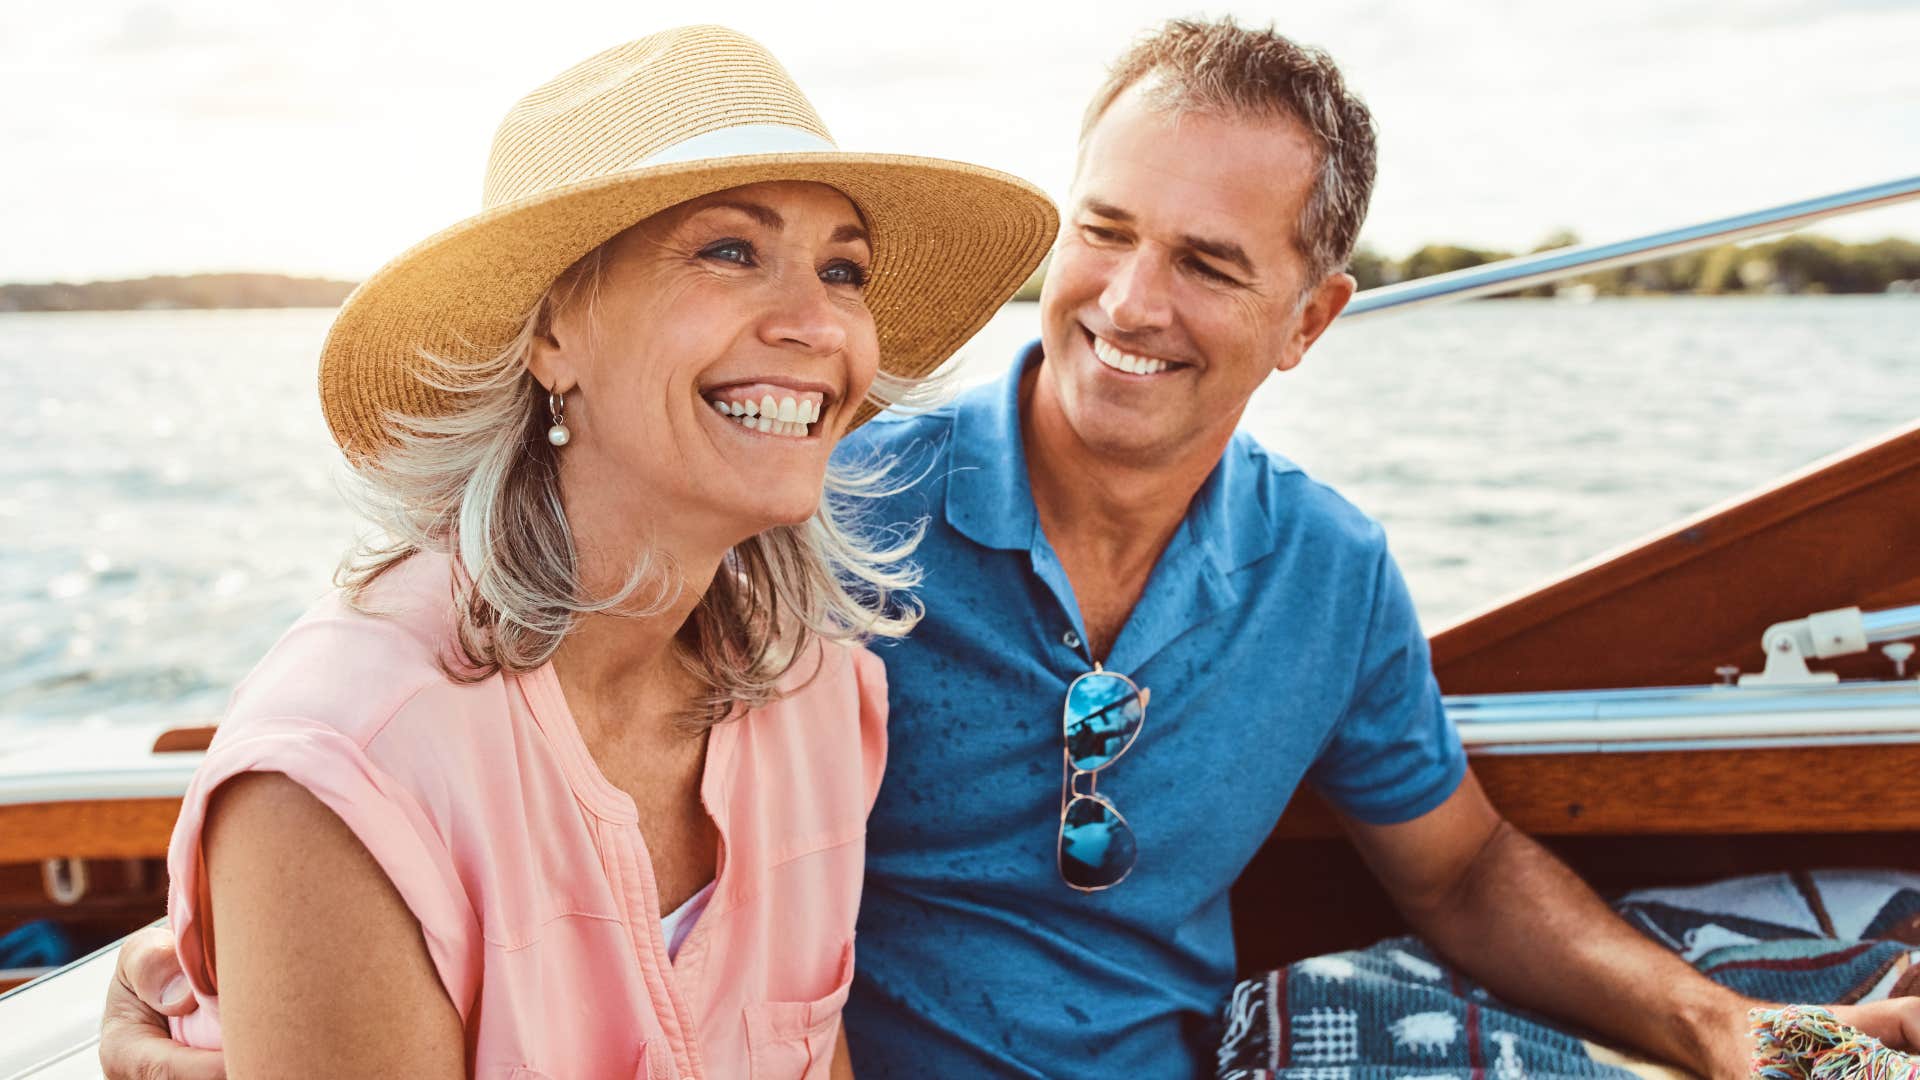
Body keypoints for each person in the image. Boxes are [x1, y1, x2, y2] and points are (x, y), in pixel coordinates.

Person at [101, 16, 1920, 1080]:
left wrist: (1733, 1032)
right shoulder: (820, 517)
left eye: (1211, 263)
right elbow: (429, 690)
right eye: (1107, 230)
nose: (1128, 304)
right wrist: (241, 963)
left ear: (1311, 320)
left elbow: (1458, 873)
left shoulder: (821, 647)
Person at [97, 24, 1052, 1080]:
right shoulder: (347, 766)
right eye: (731, 250)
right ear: (553, 332)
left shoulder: (818, 697)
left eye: (843, 269)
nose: (819, 324)